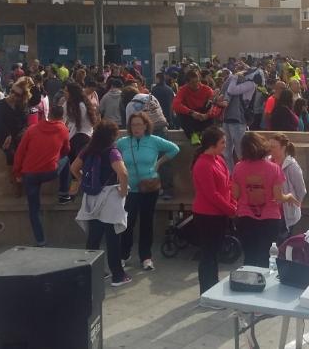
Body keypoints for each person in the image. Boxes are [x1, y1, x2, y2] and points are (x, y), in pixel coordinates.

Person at [117, 112, 180, 271]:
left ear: (146, 126)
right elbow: (111, 155)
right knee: (127, 222)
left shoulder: (153, 140)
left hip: (149, 187)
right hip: (129, 189)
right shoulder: (123, 142)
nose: (136, 128)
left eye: (139, 124)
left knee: (146, 223)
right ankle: (124, 254)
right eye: (133, 125)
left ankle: (146, 257)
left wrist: (158, 163)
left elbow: (174, 149)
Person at [72, 121, 131, 287]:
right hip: (110, 198)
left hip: (91, 198)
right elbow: (123, 173)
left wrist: (83, 181)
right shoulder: (112, 151)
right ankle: (118, 275)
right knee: (113, 238)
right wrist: (124, 191)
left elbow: (73, 168)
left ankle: (92, 272)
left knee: (94, 238)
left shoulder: (87, 149)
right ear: (113, 135)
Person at [232, 131, 299, 268]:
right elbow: (278, 197)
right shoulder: (274, 168)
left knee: (249, 256)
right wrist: (289, 197)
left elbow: (236, 194)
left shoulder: (238, 167)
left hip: (245, 217)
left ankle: (249, 279)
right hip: (270, 218)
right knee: (265, 257)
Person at [14, 103, 70, 247]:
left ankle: (40, 241)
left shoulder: (32, 129)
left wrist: (17, 172)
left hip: (30, 173)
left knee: (34, 209)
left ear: (48, 114)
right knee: (67, 160)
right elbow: (66, 150)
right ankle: (64, 193)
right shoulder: (63, 129)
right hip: (50, 171)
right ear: (62, 117)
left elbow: (20, 152)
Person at [191, 127, 237, 297]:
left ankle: (213, 289)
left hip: (219, 214)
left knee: (214, 254)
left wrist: (232, 202)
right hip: (207, 216)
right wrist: (230, 208)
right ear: (212, 144)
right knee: (208, 255)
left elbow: (228, 183)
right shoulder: (202, 164)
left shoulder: (218, 159)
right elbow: (211, 194)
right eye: (222, 142)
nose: (225, 145)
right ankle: (207, 292)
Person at [62, 82, 99, 202]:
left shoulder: (81, 106)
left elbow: (78, 126)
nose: (64, 93)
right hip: (75, 137)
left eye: (66, 91)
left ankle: (79, 186)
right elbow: (63, 120)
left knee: (77, 162)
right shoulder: (68, 104)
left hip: (82, 136)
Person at [0, 77, 31, 196]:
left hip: (18, 135)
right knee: (11, 153)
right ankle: (16, 181)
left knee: (24, 152)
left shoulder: (22, 106)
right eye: (12, 91)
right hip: (3, 135)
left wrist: (21, 134)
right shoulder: (0, 104)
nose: (13, 95)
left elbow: (25, 124)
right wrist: (8, 135)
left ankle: (22, 178)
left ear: (21, 97)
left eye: (17, 94)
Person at [269, 133, 306, 238]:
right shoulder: (268, 162)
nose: (270, 149)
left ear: (283, 148)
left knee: (283, 240)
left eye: (273, 147)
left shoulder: (292, 166)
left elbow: (301, 190)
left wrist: (295, 205)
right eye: (270, 146)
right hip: (270, 211)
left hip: (285, 213)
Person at [172, 70, 215, 144]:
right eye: (193, 82)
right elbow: (175, 104)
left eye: (197, 81)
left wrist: (207, 115)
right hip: (190, 116)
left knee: (211, 105)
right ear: (187, 83)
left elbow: (214, 106)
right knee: (180, 113)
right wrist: (191, 112)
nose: (196, 84)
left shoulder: (207, 90)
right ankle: (193, 135)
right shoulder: (183, 90)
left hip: (204, 116)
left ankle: (204, 133)